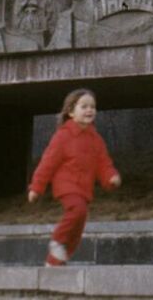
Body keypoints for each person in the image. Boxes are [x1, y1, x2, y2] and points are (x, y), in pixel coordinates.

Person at [27, 88, 121, 266]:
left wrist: (111, 177)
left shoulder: (96, 139)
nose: (89, 110)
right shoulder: (63, 136)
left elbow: (103, 163)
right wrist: (36, 187)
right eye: (84, 106)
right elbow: (47, 163)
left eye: (93, 107)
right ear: (71, 112)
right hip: (66, 185)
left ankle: (55, 261)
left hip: (83, 188)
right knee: (78, 211)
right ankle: (56, 240)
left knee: (78, 228)